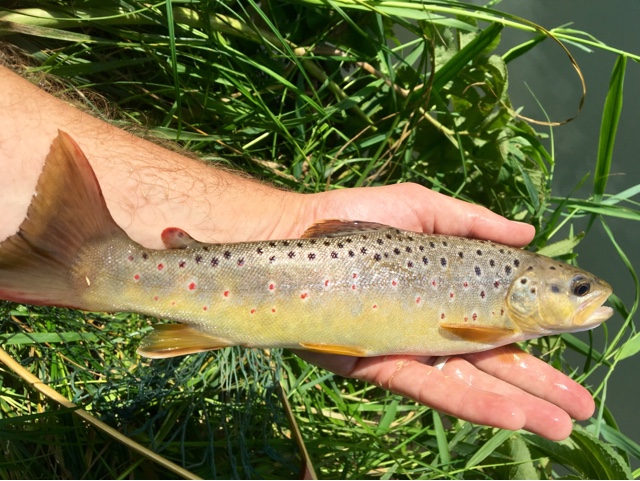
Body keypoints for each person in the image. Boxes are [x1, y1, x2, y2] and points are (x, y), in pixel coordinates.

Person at [0, 64, 594, 441]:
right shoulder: (490, 321)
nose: (587, 297)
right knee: (109, 271)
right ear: (530, 286)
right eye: (577, 288)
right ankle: (105, 269)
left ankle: (104, 271)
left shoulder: (496, 307)